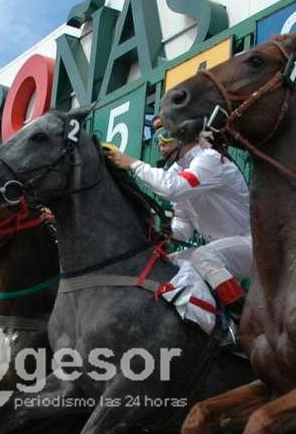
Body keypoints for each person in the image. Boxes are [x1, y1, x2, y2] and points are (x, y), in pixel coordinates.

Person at [104, 125, 254, 308]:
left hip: (253, 245)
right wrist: (166, 234)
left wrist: (134, 164)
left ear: (186, 136)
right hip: (223, 250)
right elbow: (184, 226)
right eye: (156, 138)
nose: (160, 145)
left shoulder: (210, 158)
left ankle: (242, 313)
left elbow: (172, 188)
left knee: (203, 255)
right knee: (169, 262)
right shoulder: (178, 170)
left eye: (165, 136)